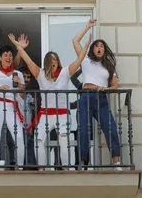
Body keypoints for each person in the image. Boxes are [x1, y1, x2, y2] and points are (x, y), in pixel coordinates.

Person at [8, 33, 89, 170]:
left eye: (55, 59)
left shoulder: (65, 72)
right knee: (38, 141)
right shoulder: (40, 74)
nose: (54, 62)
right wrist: (19, 46)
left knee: (65, 141)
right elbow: (28, 61)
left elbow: (79, 61)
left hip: (63, 114)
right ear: (47, 61)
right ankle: (42, 169)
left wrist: (85, 47)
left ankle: (67, 169)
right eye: (51, 59)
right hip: (45, 115)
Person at [73, 19, 122, 169]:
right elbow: (75, 41)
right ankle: (83, 163)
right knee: (83, 130)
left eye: (101, 46)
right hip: (86, 96)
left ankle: (117, 162)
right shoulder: (86, 61)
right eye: (96, 46)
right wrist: (87, 27)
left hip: (102, 99)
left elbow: (115, 85)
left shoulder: (109, 66)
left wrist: (106, 89)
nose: (99, 48)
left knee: (111, 128)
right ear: (92, 50)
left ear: (104, 50)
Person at [0, 45, 26, 167]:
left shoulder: (18, 73)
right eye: (5, 55)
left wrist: (20, 85)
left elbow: (23, 96)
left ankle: (19, 167)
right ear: (0, 57)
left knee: (18, 136)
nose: (8, 58)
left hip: (11, 106)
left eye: (10, 55)